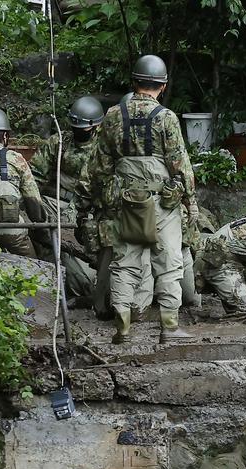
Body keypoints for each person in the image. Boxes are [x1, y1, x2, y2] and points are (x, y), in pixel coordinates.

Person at [81, 54, 198, 343]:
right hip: (162, 204)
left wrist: (109, 199)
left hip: (126, 202)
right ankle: (169, 328)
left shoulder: (112, 116)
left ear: (134, 82)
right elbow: (180, 164)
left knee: (125, 263)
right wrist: (190, 201)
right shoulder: (166, 118)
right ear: (163, 85)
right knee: (169, 263)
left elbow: (99, 166)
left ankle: (123, 328)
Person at [29, 95, 103, 304]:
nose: (80, 132)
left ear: (96, 127)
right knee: (37, 221)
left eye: (85, 129)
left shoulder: (104, 147)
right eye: (75, 127)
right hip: (55, 204)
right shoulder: (59, 142)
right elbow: (35, 175)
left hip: (88, 210)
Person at [0, 107, 47, 257]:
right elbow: (33, 201)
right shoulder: (16, 158)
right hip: (12, 227)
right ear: (5, 136)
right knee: (33, 268)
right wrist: (39, 225)